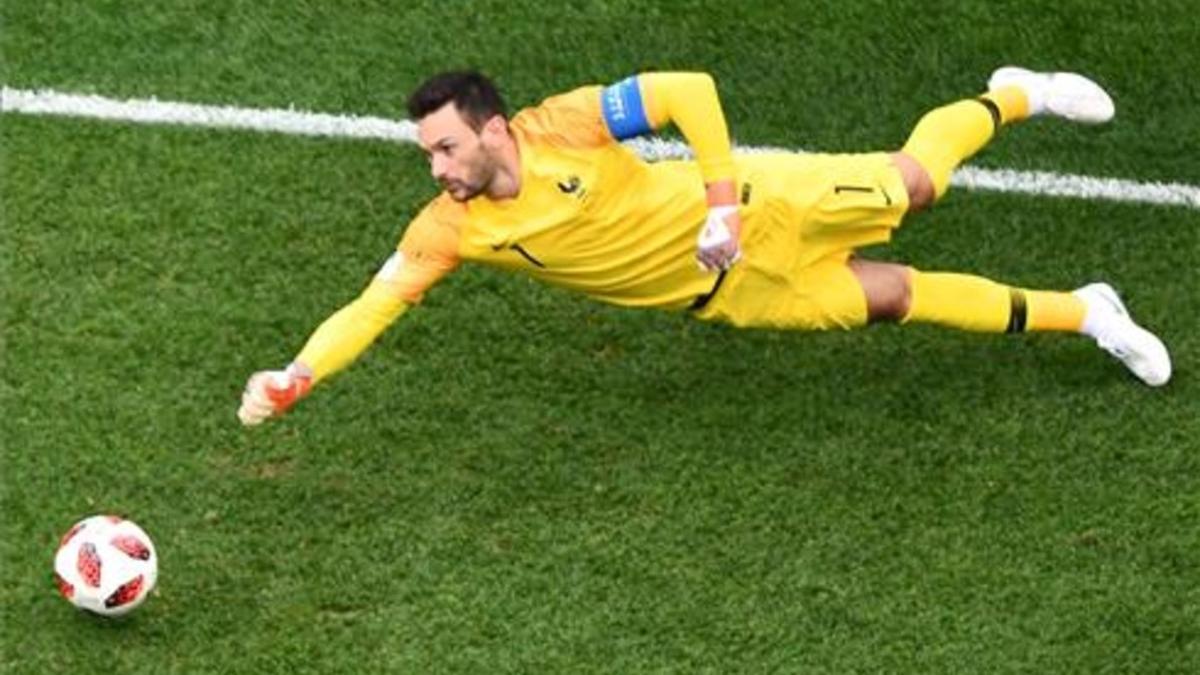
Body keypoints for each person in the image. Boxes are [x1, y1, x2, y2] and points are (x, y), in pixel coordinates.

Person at [238, 66, 1172, 425]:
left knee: (916, 185)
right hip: (728, 294)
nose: (436, 167)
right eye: (427, 153)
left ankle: (1012, 94)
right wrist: (299, 373)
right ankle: (1092, 311)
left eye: (444, 146)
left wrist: (722, 202)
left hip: (761, 206)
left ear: (489, 128)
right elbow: (374, 302)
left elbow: (690, 89)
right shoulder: (448, 228)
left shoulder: (563, 124)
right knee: (896, 295)